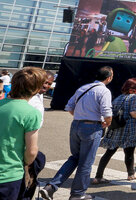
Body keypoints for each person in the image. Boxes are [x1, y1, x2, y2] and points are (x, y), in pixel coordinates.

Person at [40, 66, 114, 200]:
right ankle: (78, 194)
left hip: (76, 124)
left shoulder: (83, 88)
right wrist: (107, 123)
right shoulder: (104, 91)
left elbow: (69, 106)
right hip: (92, 127)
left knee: (75, 157)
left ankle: (51, 187)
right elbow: (107, 113)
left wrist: (80, 116)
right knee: (86, 162)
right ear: (108, 77)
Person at [0, 67, 44, 199]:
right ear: (36, 89)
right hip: (9, 174)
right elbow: (31, 151)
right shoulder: (31, 113)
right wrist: (26, 163)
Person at [93, 78, 136, 183]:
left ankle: (98, 176)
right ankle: (131, 174)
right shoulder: (134, 97)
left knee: (109, 152)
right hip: (128, 130)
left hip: (116, 129)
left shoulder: (118, 98)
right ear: (134, 89)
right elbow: (133, 113)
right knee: (129, 152)